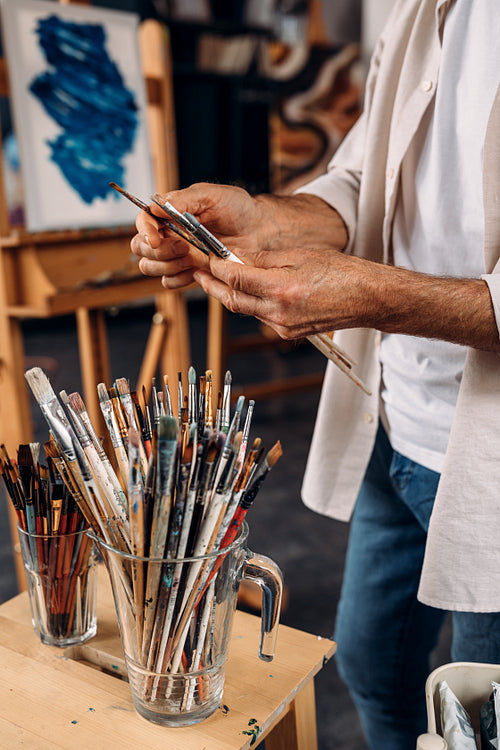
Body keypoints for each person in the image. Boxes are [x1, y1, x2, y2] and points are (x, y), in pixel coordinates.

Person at [131, 0, 500, 747]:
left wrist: (364, 294)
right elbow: (364, 177)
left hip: (490, 463)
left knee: (481, 721)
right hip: (394, 422)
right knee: (370, 668)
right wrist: (267, 218)